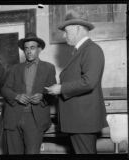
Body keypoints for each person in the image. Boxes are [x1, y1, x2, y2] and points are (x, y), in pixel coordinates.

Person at [45, 11, 108, 154]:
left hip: (82, 120)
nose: (63, 35)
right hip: (79, 120)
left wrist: (61, 89)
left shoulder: (92, 50)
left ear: (78, 29)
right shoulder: (82, 50)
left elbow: (89, 82)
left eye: (66, 31)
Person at [1, 33, 56, 154]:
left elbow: (53, 93)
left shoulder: (49, 68)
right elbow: (5, 90)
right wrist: (17, 96)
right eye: (26, 48)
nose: (29, 51)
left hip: (34, 120)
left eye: (32, 47)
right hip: (13, 118)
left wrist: (42, 96)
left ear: (39, 49)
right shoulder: (14, 68)